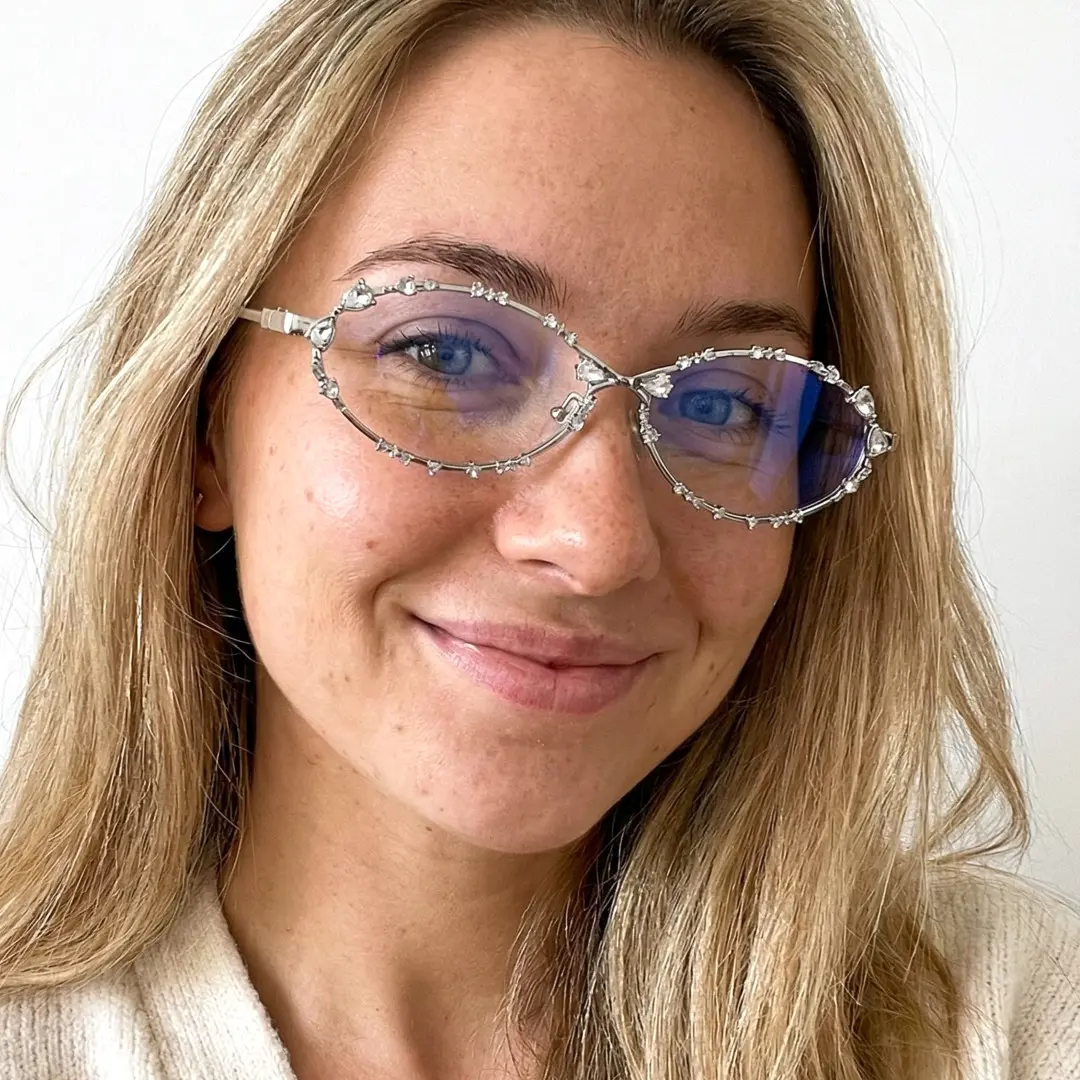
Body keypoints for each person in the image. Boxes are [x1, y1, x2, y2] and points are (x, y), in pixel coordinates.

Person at [1, 0, 1078, 1077]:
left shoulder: (1008, 1025)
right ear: (205, 427)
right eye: (447, 354)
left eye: (721, 406)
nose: (596, 542)